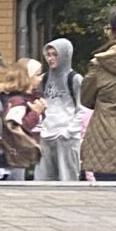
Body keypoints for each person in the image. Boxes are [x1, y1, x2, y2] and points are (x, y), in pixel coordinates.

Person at [32, 40, 84, 182]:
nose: (50, 58)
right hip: (46, 135)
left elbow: (82, 109)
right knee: (42, 180)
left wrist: (69, 132)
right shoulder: (45, 78)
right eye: (48, 54)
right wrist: (41, 126)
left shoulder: (75, 79)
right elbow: (42, 104)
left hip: (66, 136)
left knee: (67, 179)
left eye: (55, 55)